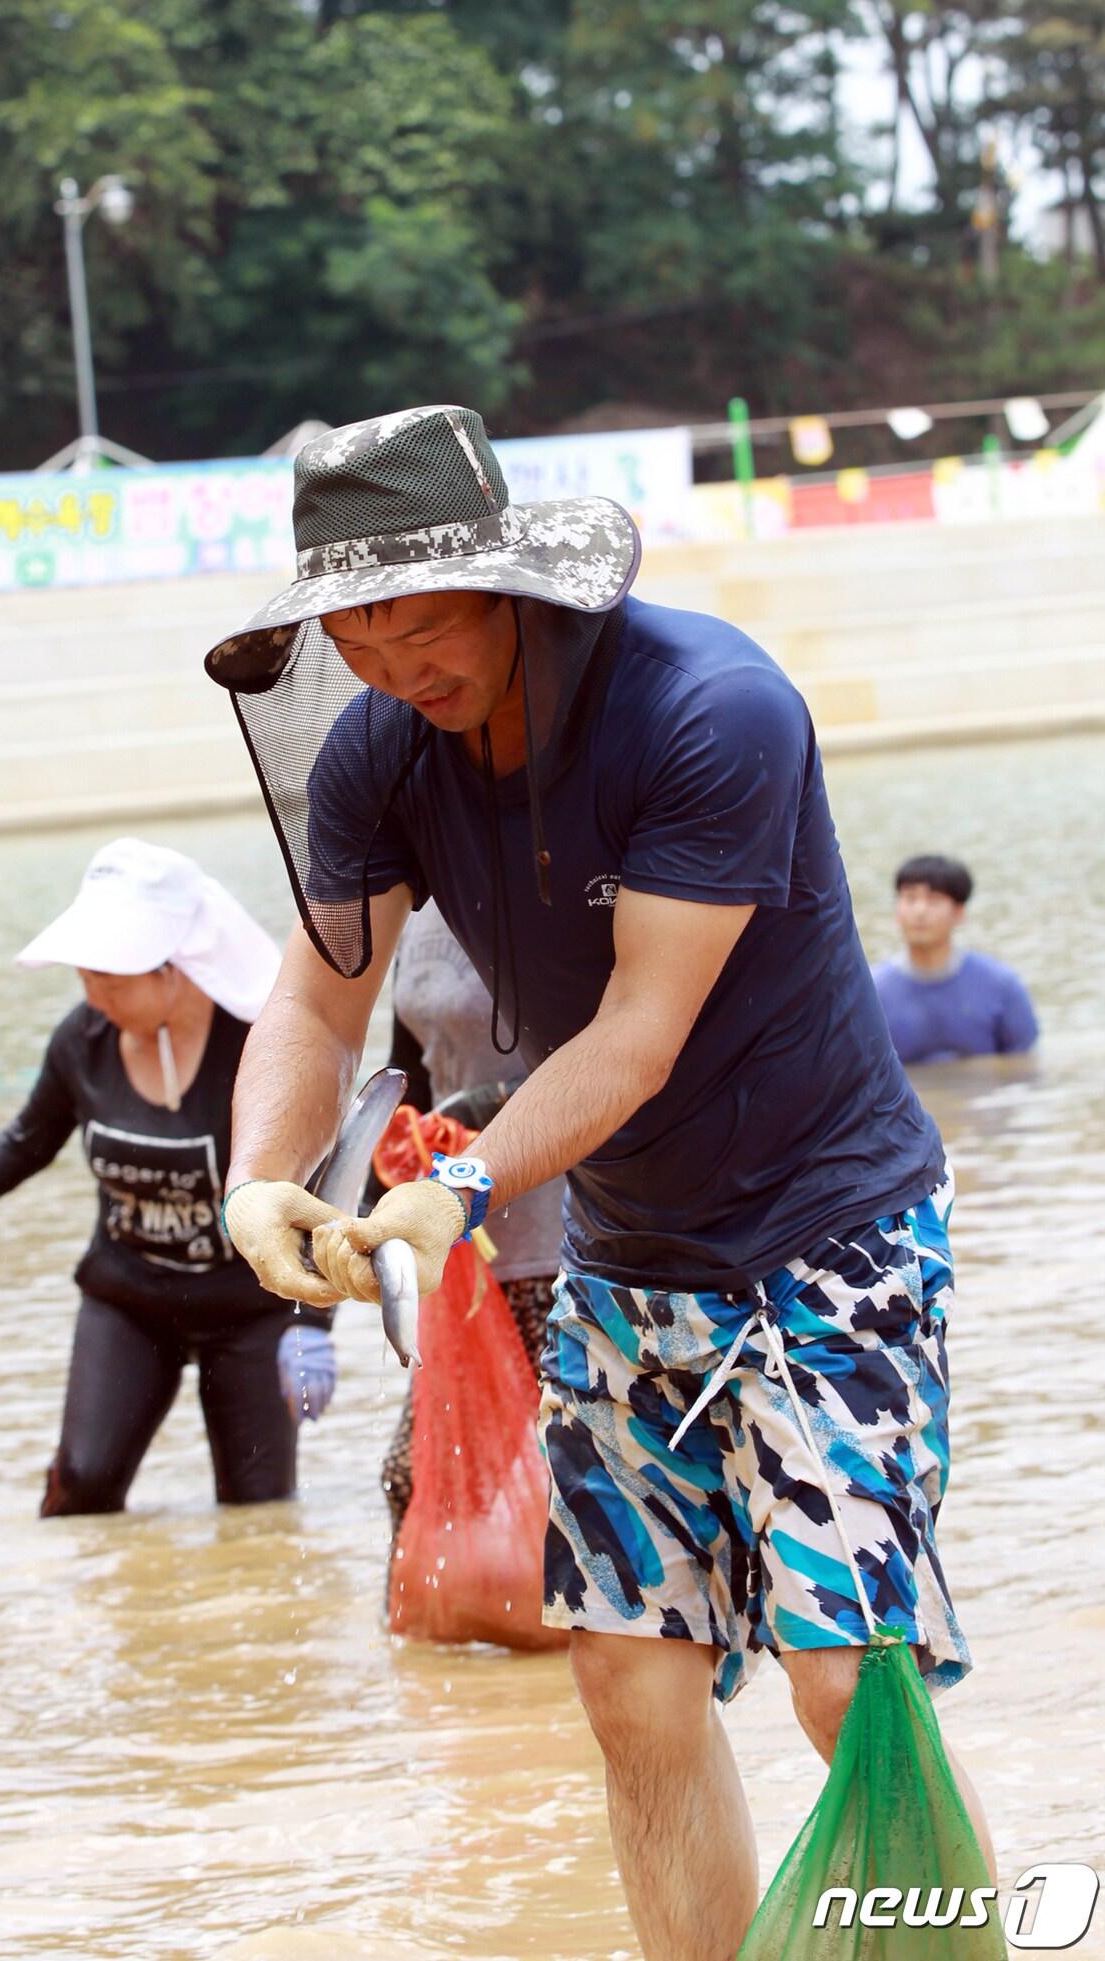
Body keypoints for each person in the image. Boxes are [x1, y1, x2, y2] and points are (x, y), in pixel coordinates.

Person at [201, 406, 995, 1960]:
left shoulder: (712, 710)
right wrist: (258, 1178)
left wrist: (468, 1186)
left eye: (422, 622)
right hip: (637, 1256)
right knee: (628, 1681)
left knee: (848, 1679)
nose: (388, 663)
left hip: (833, 1234)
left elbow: (636, 1036)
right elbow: (315, 1001)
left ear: (511, 583)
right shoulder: (380, 749)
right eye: (352, 630)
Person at [0, 838, 336, 1516]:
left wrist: (314, 1319)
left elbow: (324, 1182)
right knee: (82, 1485)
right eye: (84, 973)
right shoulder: (81, 1043)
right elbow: (23, 1144)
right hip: (128, 1301)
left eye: (110, 975)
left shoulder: (259, 1050)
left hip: (250, 1313)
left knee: (259, 1517)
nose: (92, 993)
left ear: (174, 967)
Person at [380, 898, 564, 1556]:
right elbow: (408, 1069)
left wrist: (479, 1108)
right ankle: (417, 1646)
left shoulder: (552, 897)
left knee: (581, 1468)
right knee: (412, 1479)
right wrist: (393, 1157)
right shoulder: (413, 914)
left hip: (564, 1238)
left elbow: (599, 1048)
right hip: (460, 1245)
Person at [873, 853, 1038, 1064]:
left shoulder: (1000, 985)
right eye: (910, 899)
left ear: (959, 912)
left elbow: (1024, 1064)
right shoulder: (872, 992)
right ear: (896, 910)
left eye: (934, 900)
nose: (920, 911)